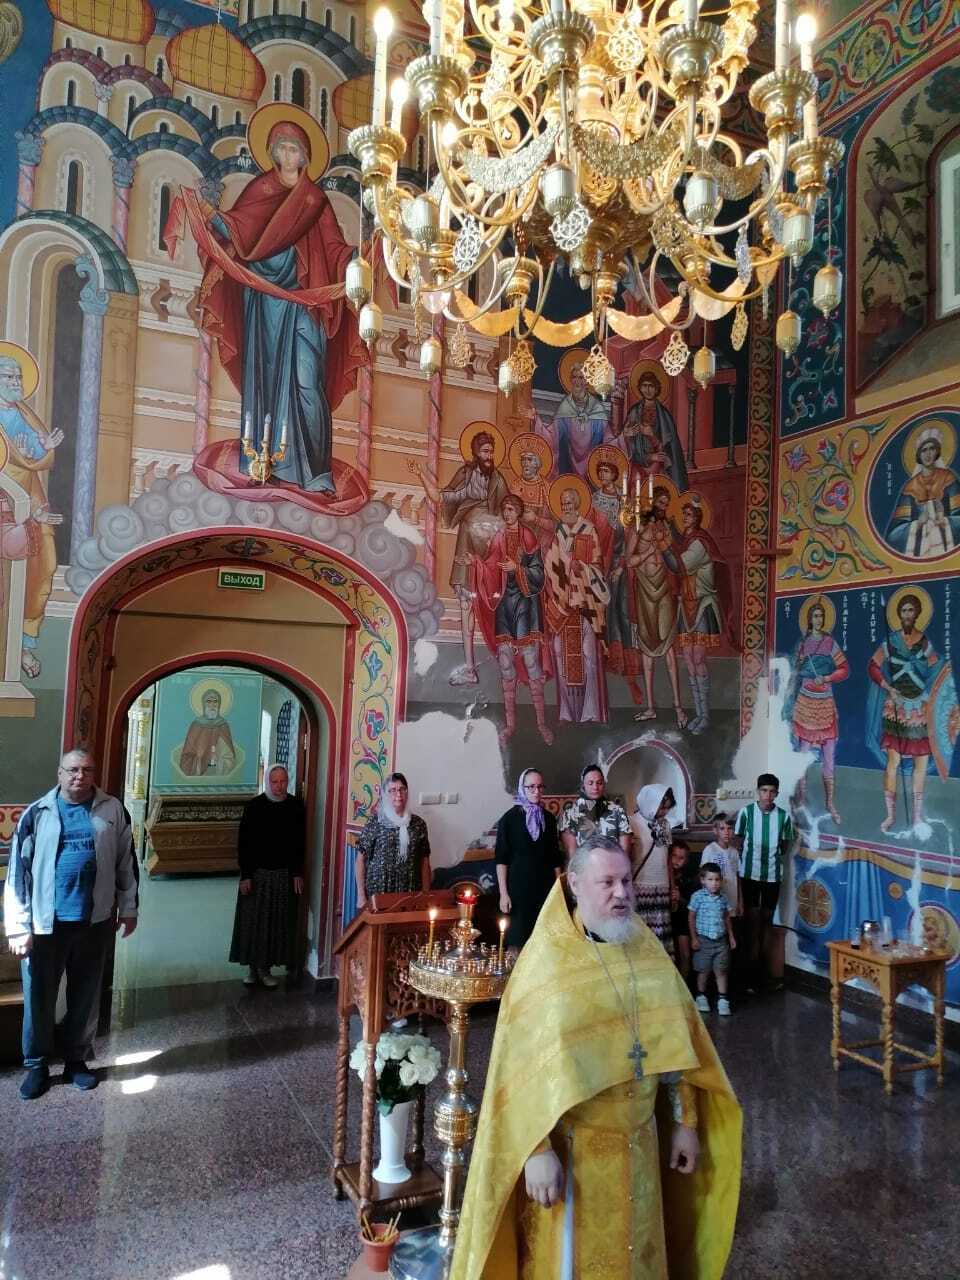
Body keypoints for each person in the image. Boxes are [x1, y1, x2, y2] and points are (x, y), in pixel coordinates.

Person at [450, 836, 741, 1280]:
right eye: (607, 882)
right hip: (576, 1154)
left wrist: (686, 1123)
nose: (622, 893)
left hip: (642, 1143)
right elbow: (522, 1067)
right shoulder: (547, 960)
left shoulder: (645, 948)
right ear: (574, 884)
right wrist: (536, 1151)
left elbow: (676, 1043)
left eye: (626, 881)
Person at [165, 115, 364, 495]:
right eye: (282, 149)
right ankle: (262, 460)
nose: (288, 156)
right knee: (266, 380)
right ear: (273, 153)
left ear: (305, 156)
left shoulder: (315, 201)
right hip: (265, 301)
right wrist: (205, 214)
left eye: (295, 150)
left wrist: (359, 257)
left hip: (306, 304)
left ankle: (315, 471)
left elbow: (335, 250)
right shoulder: (260, 189)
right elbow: (237, 232)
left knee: (308, 381)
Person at [3, 749, 139, 1100]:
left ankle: (76, 1060)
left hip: (94, 922)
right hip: (46, 925)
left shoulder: (113, 810)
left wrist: (129, 908)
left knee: (86, 996)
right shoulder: (37, 813)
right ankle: (36, 1065)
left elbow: (126, 862)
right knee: (40, 997)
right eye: (73, 770)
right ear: (60, 773)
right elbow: (18, 874)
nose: (80, 776)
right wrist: (18, 926)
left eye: (87, 770)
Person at [412, 430, 511, 686]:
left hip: (491, 549)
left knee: (497, 605)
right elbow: (440, 497)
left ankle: (505, 667)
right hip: (468, 544)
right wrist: (421, 474)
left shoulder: (497, 479)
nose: (489, 456)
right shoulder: (465, 476)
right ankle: (469, 668)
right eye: (485, 451)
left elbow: (508, 513)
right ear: (475, 453)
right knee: (466, 605)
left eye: (492, 451)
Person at [472, 493, 553, 746]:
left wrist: (517, 568)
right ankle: (509, 726)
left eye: (511, 509)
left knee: (530, 660)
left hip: (525, 605)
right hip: (504, 606)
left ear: (518, 511)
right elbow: (489, 566)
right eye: (504, 509)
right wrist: (476, 563)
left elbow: (539, 574)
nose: (507, 514)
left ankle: (541, 723)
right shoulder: (498, 537)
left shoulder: (528, 536)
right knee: (506, 662)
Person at [0, 351, 64, 677]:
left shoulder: (24, 412)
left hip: (31, 497)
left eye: (18, 376)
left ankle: (26, 640)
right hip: (6, 500)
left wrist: (45, 447)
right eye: (8, 377)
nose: (16, 382)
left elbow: (37, 457)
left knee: (45, 564)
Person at [866, 593, 952, 833]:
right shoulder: (891, 641)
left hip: (918, 709)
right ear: (899, 614)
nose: (906, 615)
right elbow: (873, 666)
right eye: (903, 611)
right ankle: (890, 815)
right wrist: (887, 687)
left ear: (917, 614)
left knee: (920, 764)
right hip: (897, 709)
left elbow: (936, 667)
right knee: (893, 763)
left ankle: (916, 817)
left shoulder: (924, 642)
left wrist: (933, 692)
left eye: (910, 611)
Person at [229, 764, 305, 988]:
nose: (279, 786)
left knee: (274, 924)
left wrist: (297, 873)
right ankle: (253, 969)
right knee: (254, 923)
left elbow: (298, 844)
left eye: (283, 781)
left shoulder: (295, 806)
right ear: (268, 783)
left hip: (281, 876)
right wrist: (246, 875)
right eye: (275, 782)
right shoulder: (255, 806)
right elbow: (244, 844)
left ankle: (266, 969)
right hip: (257, 876)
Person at [543, 486, 610, 724]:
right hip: (564, 604)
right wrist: (562, 578)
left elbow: (598, 566)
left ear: (577, 504)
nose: (566, 507)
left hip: (586, 604)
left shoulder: (588, 530)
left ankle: (590, 710)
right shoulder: (559, 532)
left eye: (569, 503)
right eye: (563, 503)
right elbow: (550, 566)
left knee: (589, 656)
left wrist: (582, 568)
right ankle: (567, 712)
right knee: (560, 654)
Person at [783, 597, 849, 824]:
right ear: (810, 619)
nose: (818, 619)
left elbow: (844, 669)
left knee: (829, 756)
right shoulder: (803, 644)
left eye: (821, 616)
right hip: (805, 703)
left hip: (825, 702)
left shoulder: (830, 643)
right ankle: (801, 799)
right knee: (803, 755)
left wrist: (827, 677)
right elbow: (794, 670)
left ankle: (830, 803)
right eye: (815, 616)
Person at [671, 495, 733, 735]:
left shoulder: (698, 543)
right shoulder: (687, 542)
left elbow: (679, 565)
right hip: (686, 606)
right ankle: (698, 713)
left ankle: (705, 715)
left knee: (697, 658)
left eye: (689, 515)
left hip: (702, 605)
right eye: (684, 514)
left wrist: (664, 545)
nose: (685, 518)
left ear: (697, 518)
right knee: (688, 659)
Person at [626, 486, 687, 728]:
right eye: (659, 503)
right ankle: (651, 707)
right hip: (644, 590)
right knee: (647, 647)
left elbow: (674, 561)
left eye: (665, 504)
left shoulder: (664, 528)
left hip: (663, 589)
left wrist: (662, 544)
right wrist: (648, 552)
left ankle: (678, 707)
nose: (662, 508)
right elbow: (629, 560)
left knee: (668, 645)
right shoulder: (637, 528)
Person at [734, 774, 794, 992]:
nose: (767, 795)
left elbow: (785, 846)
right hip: (749, 875)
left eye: (772, 791)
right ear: (758, 792)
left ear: (776, 793)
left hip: (772, 876)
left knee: (767, 922)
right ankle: (749, 976)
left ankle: (764, 974)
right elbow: (738, 841)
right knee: (751, 922)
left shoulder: (784, 817)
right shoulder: (746, 813)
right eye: (764, 791)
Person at [495, 769, 563, 948]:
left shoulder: (549, 819)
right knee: (517, 941)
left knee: (544, 941)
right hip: (518, 890)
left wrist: (559, 891)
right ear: (522, 788)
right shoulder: (509, 819)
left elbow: (555, 857)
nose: (536, 791)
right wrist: (503, 894)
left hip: (544, 888)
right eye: (531, 787)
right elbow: (501, 859)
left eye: (540, 787)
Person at [355, 772, 431, 910]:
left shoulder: (418, 824)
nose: (398, 794)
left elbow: (424, 862)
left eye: (402, 789)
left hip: (410, 894)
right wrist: (361, 896)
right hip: (379, 894)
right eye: (393, 790)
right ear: (385, 794)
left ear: (407, 792)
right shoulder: (375, 822)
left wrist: (426, 895)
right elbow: (360, 859)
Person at [884, 427, 960, 559]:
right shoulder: (910, 487)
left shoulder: (949, 479)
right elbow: (893, 535)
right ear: (918, 455)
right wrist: (918, 524)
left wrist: (944, 520)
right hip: (919, 550)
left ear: (937, 452)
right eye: (924, 450)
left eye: (932, 448)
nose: (928, 454)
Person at [613, 365, 689, 493]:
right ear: (640, 387)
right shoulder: (634, 412)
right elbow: (627, 444)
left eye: (651, 386)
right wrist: (626, 435)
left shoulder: (664, 415)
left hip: (658, 466)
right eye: (644, 386)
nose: (647, 390)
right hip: (638, 466)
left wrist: (652, 436)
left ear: (657, 388)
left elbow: (669, 448)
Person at [630, 784, 677, 954]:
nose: (664, 812)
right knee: (640, 935)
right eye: (661, 807)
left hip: (661, 887)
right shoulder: (631, 822)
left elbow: (667, 858)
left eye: (667, 808)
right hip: (639, 886)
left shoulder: (665, 825)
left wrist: (672, 887)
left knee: (660, 936)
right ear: (649, 802)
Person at [689, 863, 736, 1017]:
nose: (714, 883)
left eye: (717, 879)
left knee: (721, 970)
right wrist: (694, 938)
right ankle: (701, 996)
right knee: (703, 970)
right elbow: (691, 917)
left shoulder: (723, 898)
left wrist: (731, 936)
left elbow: (726, 917)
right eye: (710, 879)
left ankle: (723, 999)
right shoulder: (697, 897)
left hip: (721, 942)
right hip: (703, 941)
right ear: (703, 880)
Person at [559, 764, 631, 862]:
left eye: (599, 783)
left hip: (613, 866)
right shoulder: (570, 814)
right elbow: (572, 854)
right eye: (590, 783)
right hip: (584, 868)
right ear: (583, 786)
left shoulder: (618, 811)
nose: (595, 787)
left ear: (604, 784)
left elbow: (624, 851)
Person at [178, 688, 237, 776]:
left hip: (219, 773)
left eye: (215, 701)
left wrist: (219, 762)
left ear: (219, 704)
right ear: (203, 704)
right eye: (209, 701)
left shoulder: (223, 725)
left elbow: (230, 758)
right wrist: (202, 760)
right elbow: (186, 757)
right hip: (199, 774)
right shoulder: (196, 725)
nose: (212, 705)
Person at [700, 814, 742, 923]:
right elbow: (703, 877)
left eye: (729, 828)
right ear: (715, 831)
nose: (726, 832)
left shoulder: (735, 852)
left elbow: (737, 878)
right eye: (722, 828)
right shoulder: (710, 850)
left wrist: (740, 902)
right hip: (714, 903)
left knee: (731, 928)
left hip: (731, 900)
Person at [668, 838, 697, 982]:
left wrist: (680, 898)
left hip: (683, 921)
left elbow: (693, 906)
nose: (676, 861)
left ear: (686, 860)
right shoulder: (663, 875)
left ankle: (684, 985)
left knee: (685, 955)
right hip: (668, 920)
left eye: (681, 858)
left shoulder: (689, 879)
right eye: (674, 856)